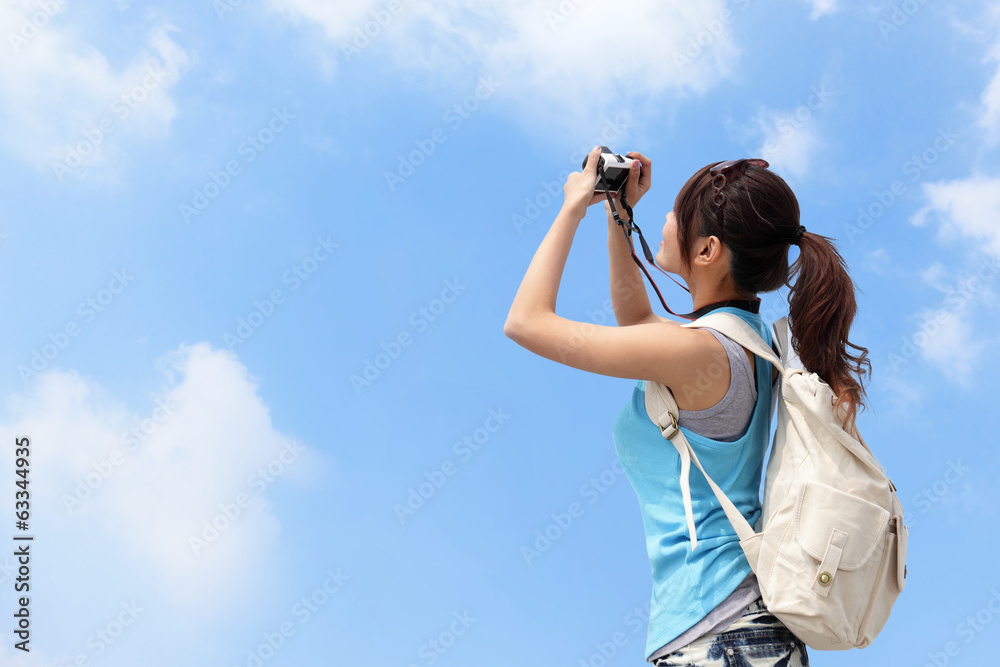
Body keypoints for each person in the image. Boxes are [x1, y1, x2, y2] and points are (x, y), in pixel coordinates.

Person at [503, 145, 870, 666]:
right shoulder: (747, 341)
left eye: (677, 213)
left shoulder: (701, 350)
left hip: (716, 632)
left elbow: (526, 321)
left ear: (707, 252)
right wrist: (617, 214)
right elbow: (635, 321)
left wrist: (571, 205)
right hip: (744, 631)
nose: (668, 218)